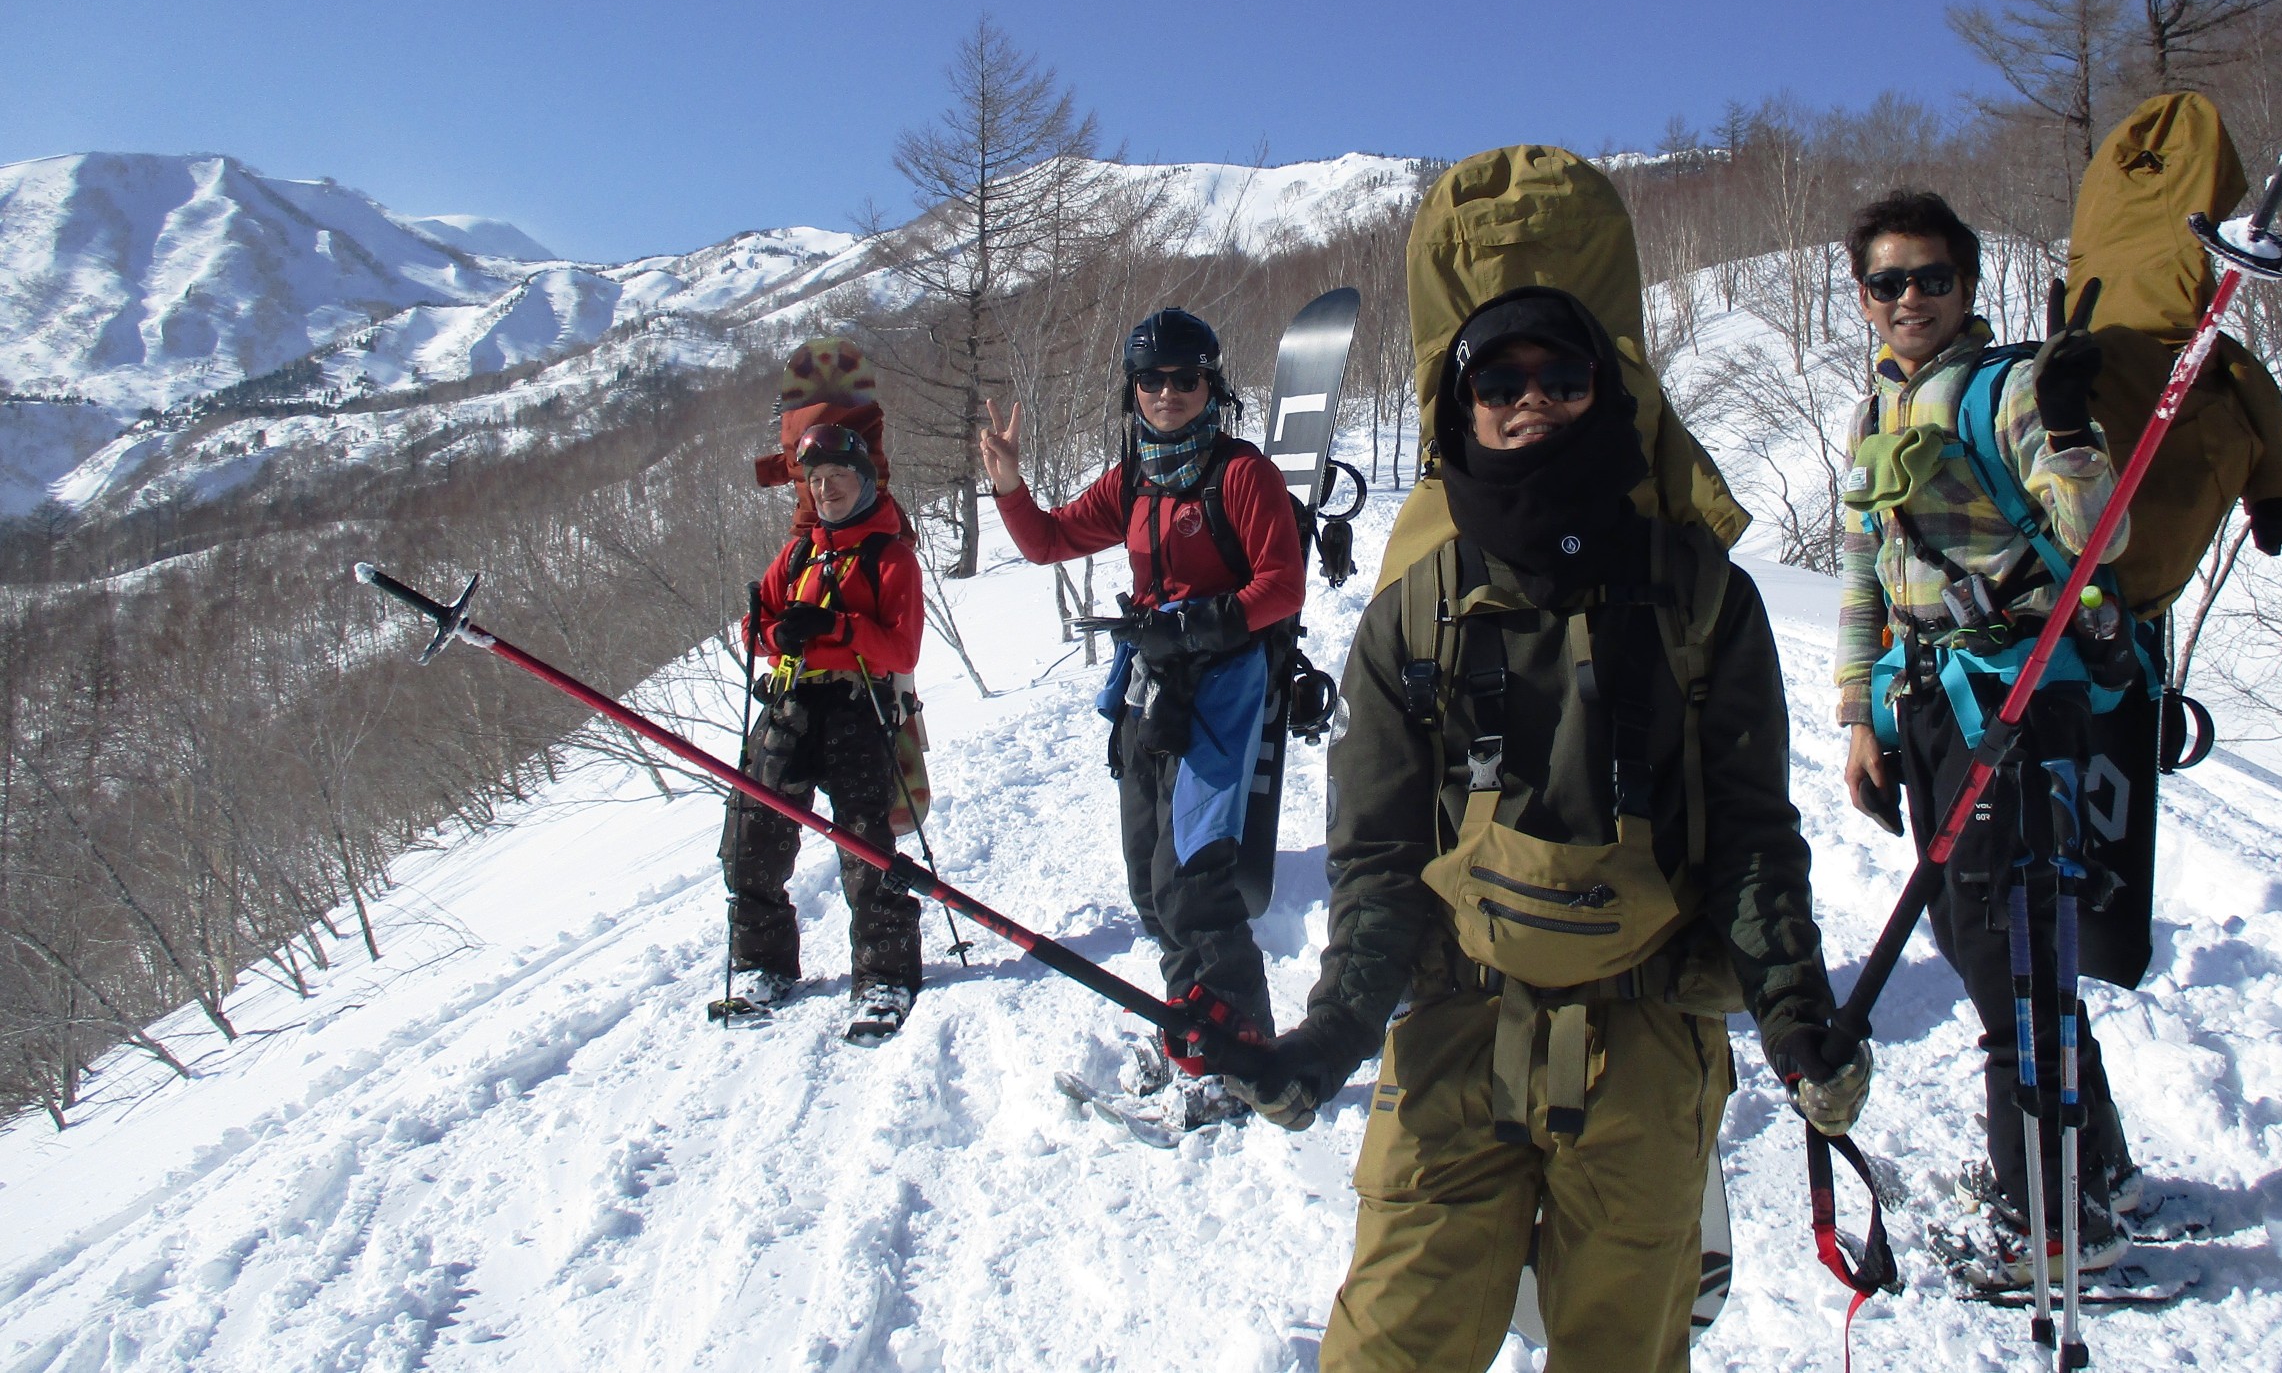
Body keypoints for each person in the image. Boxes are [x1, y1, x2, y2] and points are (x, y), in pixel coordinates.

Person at [1236, 287, 1860, 1373]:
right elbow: (1379, 862)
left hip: (1649, 1042)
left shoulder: (1704, 601)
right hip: (1453, 1040)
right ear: (1459, 413)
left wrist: (1793, 1012)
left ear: (1604, 403)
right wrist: (1333, 1033)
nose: (1533, 403)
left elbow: (1753, 835)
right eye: (1500, 383)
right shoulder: (1409, 616)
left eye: (1564, 381)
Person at [1833, 188, 2137, 1280]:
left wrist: (2066, 430)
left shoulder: (2006, 391)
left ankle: (2050, 1224)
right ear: (1862, 297)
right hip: (1925, 705)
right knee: (1984, 945)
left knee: (2006, 951)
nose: (1907, 298)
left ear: (1966, 286)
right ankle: (2090, 1168)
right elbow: (1865, 568)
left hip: (2013, 703)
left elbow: (2098, 539)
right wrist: (1858, 714)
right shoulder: (1872, 411)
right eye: (1885, 281)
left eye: (1930, 278)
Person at [979, 307, 1306, 1125]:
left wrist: (1203, 623)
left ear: (1212, 386)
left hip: (1222, 684)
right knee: (1146, 877)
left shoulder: (1241, 475)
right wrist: (1010, 485)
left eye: (1184, 378)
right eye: (1152, 379)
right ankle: (1189, 1033)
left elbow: (1282, 585)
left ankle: (1238, 1057)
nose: (1167, 392)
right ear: (1132, 390)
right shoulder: (1133, 478)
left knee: (1192, 874)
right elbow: (1048, 542)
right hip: (1150, 685)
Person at [721, 417, 928, 1041]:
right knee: (751, 837)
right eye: (817, 481)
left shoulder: (889, 556)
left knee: (865, 843)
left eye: (839, 477)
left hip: (855, 710)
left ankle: (885, 974)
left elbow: (901, 650)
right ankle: (762, 965)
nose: (828, 490)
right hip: (788, 707)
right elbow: (760, 629)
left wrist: (832, 633)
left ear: (864, 480)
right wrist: (776, 633)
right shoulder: (801, 552)